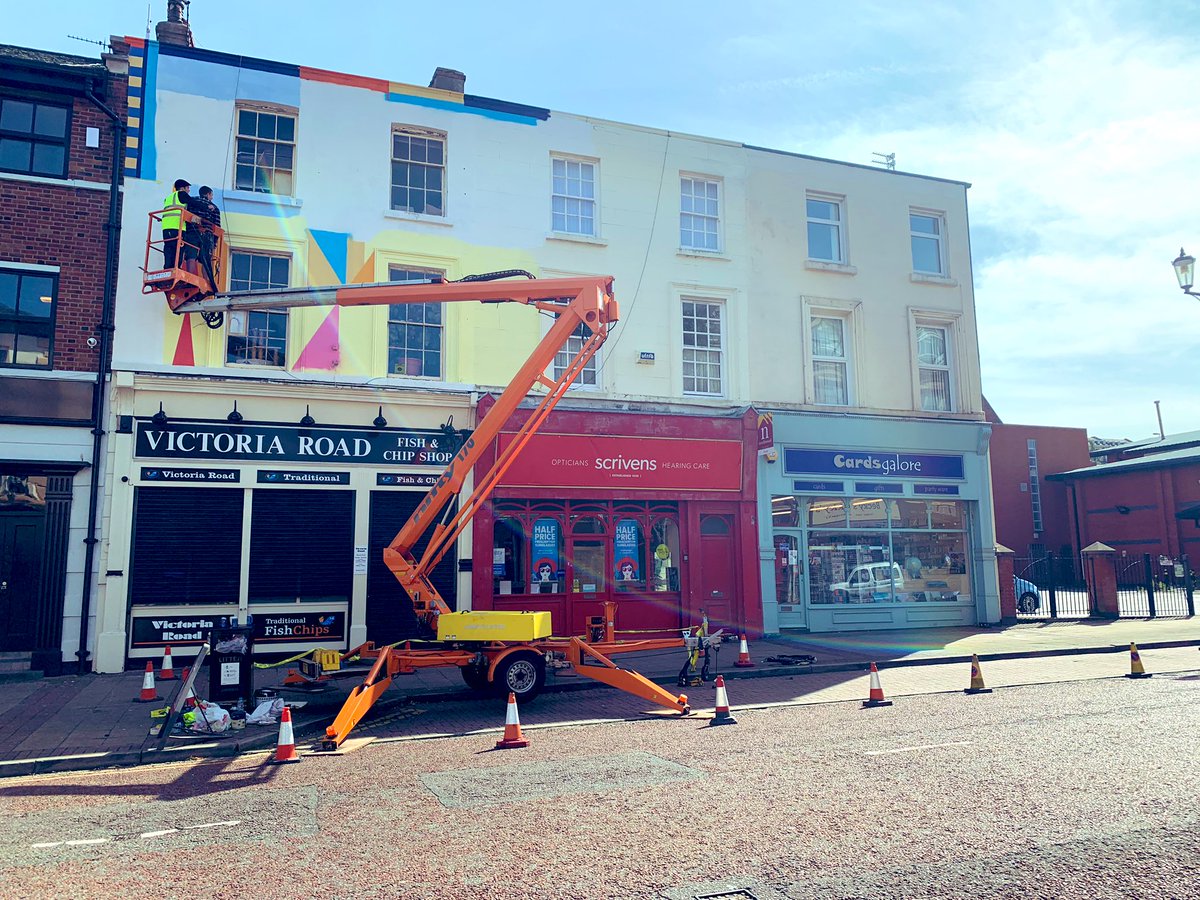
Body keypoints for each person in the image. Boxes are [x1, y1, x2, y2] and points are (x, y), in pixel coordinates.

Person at [161, 178, 192, 269]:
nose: (189, 190)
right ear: (182, 188)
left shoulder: (168, 197)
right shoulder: (182, 194)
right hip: (177, 227)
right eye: (187, 188)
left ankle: (167, 268)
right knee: (179, 248)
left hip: (166, 227)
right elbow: (193, 203)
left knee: (168, 247)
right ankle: (176, 268)